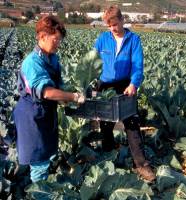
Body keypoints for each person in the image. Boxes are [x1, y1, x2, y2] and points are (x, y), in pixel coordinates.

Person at [13, 15, 85, 183]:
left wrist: (66, 96)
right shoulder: (32, 62)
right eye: (55, 40)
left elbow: (58, 86)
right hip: (32, 116)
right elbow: (46, 92)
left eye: (59, 40)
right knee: (38, 162)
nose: (58, 44)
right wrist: (74, 96)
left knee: (46, 155)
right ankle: (39, 191)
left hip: (45, 113)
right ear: (43, 36)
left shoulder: (53, 58)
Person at [94, 5, 156, 182]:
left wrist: (134, 84)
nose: (112, 28)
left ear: (122, 20)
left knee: (131, 122)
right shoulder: (102, 39)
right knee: (105, 122)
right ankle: (108, 153)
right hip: (105, 85)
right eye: (109, 26)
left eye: (115, 24)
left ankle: (141, 164)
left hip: (126, 85)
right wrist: (90, 80)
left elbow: (138, 65)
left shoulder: (133, 39)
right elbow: (91, 61)